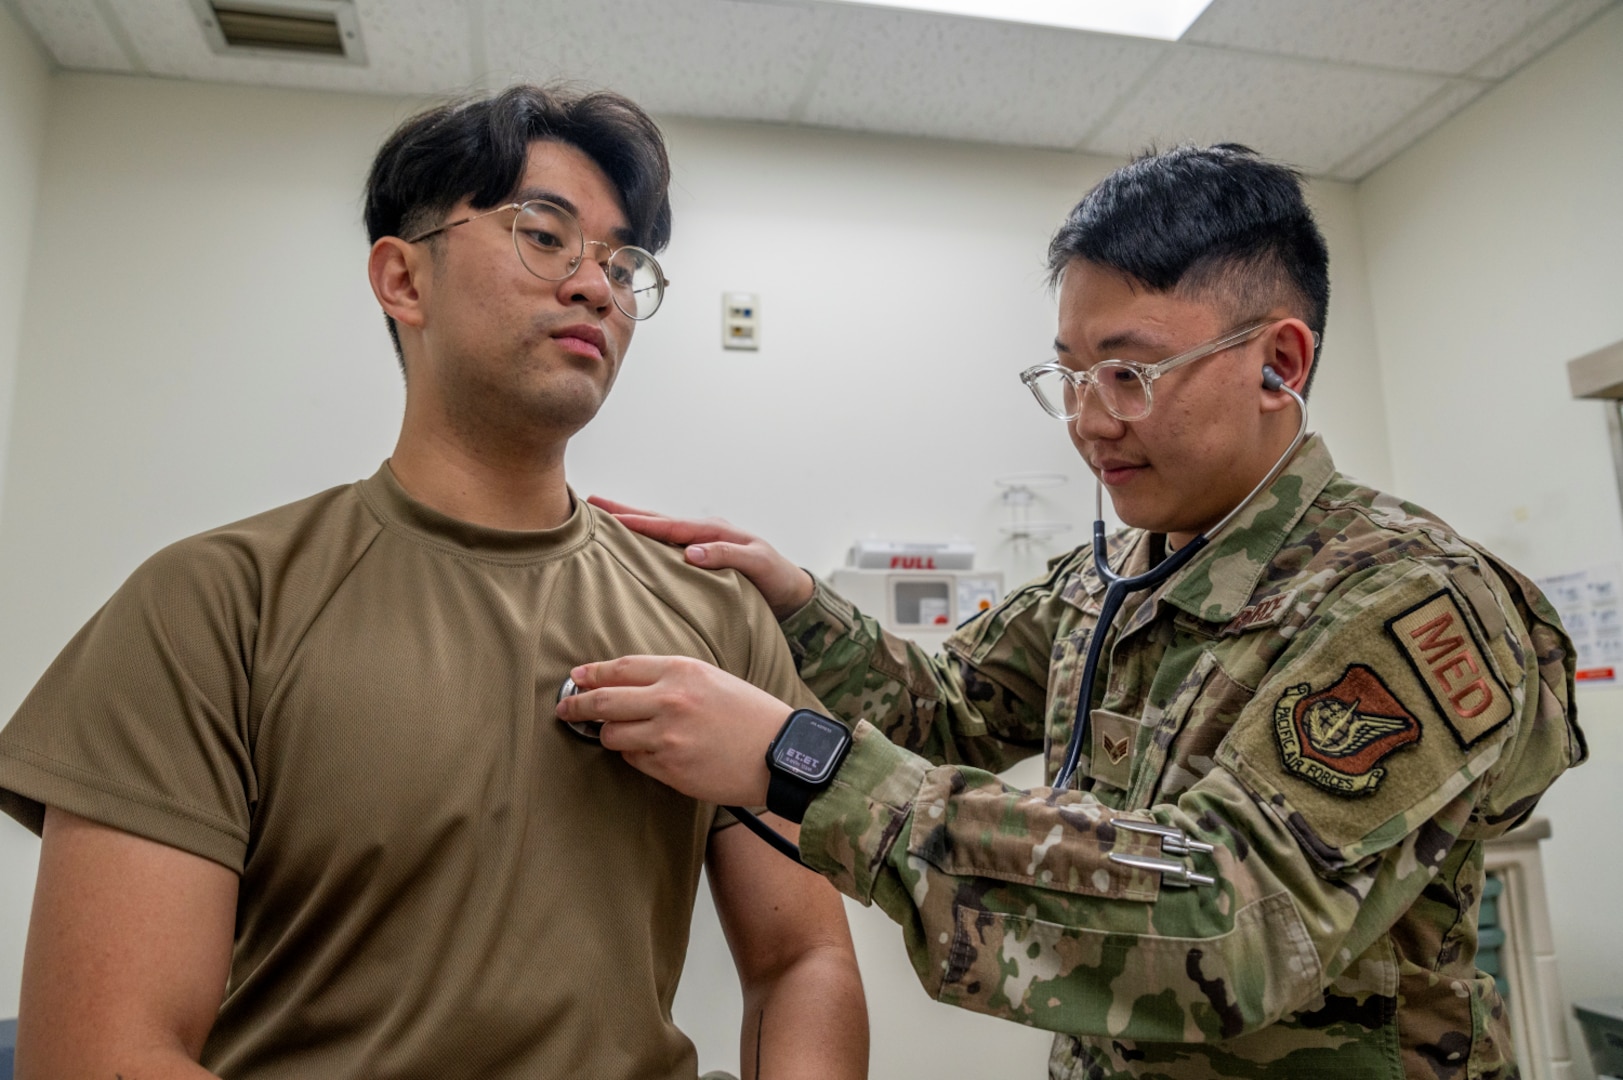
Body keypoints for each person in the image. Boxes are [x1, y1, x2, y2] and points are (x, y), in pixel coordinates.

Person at [556, 144, 1586, 1079]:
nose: (1089, 422)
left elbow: (1225, 917)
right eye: (1070, 374)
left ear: (1280, 362)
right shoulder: (1114, 576)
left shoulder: (1407, 600)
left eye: (1130, 374)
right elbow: (944, 708)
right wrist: (792, 599)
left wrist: (805, 765)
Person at [0, 85, 867, 1080]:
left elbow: (804, 960)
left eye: (624, 264)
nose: (597, 287)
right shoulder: (211, 607)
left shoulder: (713, 617)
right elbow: (101, 1050)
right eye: (545, 234)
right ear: (402, 279)